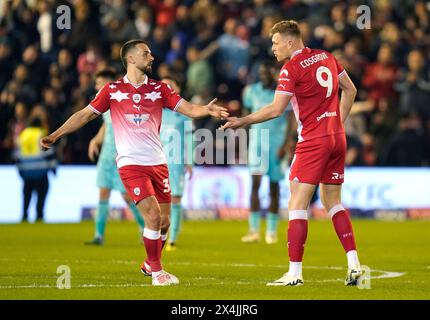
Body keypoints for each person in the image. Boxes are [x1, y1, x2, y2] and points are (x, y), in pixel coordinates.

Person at [40, 39, 228, 286]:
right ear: (130, 59)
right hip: (130, 163)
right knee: (152, 216)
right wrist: (56, 134)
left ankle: (150, 263)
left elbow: (188, 109)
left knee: (165, 222)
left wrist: (207, 110)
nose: (151, 57)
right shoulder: (112, 90)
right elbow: (85, 115)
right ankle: (158, 273)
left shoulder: (160, 89)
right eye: (146, 53)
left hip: (158, 163)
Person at [221, 20, 361, 287]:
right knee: (333, 202)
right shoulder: (327, 57)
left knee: (297, 204)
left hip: (313, 141)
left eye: (275, 43)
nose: (272, 49)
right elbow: (350, 90)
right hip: (336, 139)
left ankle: (294, 273)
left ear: (290, 41)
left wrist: (242, 121)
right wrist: (337, 123)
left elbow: (275, 109)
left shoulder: (291, 69)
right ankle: (354, 263)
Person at [85, 69, 146, 245]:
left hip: (122, 156)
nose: (96, 86)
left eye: (99, 82)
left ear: (109, 83)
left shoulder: (123, 102)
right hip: (106, 155)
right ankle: (99, 235)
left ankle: (144, 227)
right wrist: (95, 140)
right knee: (103, 192)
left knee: (127, 196)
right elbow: (106, 126)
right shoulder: (103, 104)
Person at [240, 61, 293, 245]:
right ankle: (253, 230)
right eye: (261, 73)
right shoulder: (250, 92)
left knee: (274, 187)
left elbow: (291, 118)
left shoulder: (283, 92)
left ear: (273, 74)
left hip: (277, 144)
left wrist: (286, 144)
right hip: (257, 144)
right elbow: (245, 115)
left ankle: (271, 232)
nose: (264, 76)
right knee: (255, 184)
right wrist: (246, 141)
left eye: (267, 73)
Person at [157, 76, 192, 251]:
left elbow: (189, 138)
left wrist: (190, 162)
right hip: (158, 162)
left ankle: (173, 238)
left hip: (177, 162)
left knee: (176, 198)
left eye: (171, 85)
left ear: (177, 88)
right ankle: (157, 234)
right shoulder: (155, 111)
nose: (167, 88)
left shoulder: (184, 112)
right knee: (158, 201)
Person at [16, 117, 57, 222]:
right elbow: (49, 153)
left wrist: (20, 171)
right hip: (41, 172)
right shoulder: (41, 133)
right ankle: (39, 216)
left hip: (26, 172)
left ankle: (24, 216)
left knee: (27, 195)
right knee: (41, 195)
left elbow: (17, 155)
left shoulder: (23, 135)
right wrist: (53, 169)